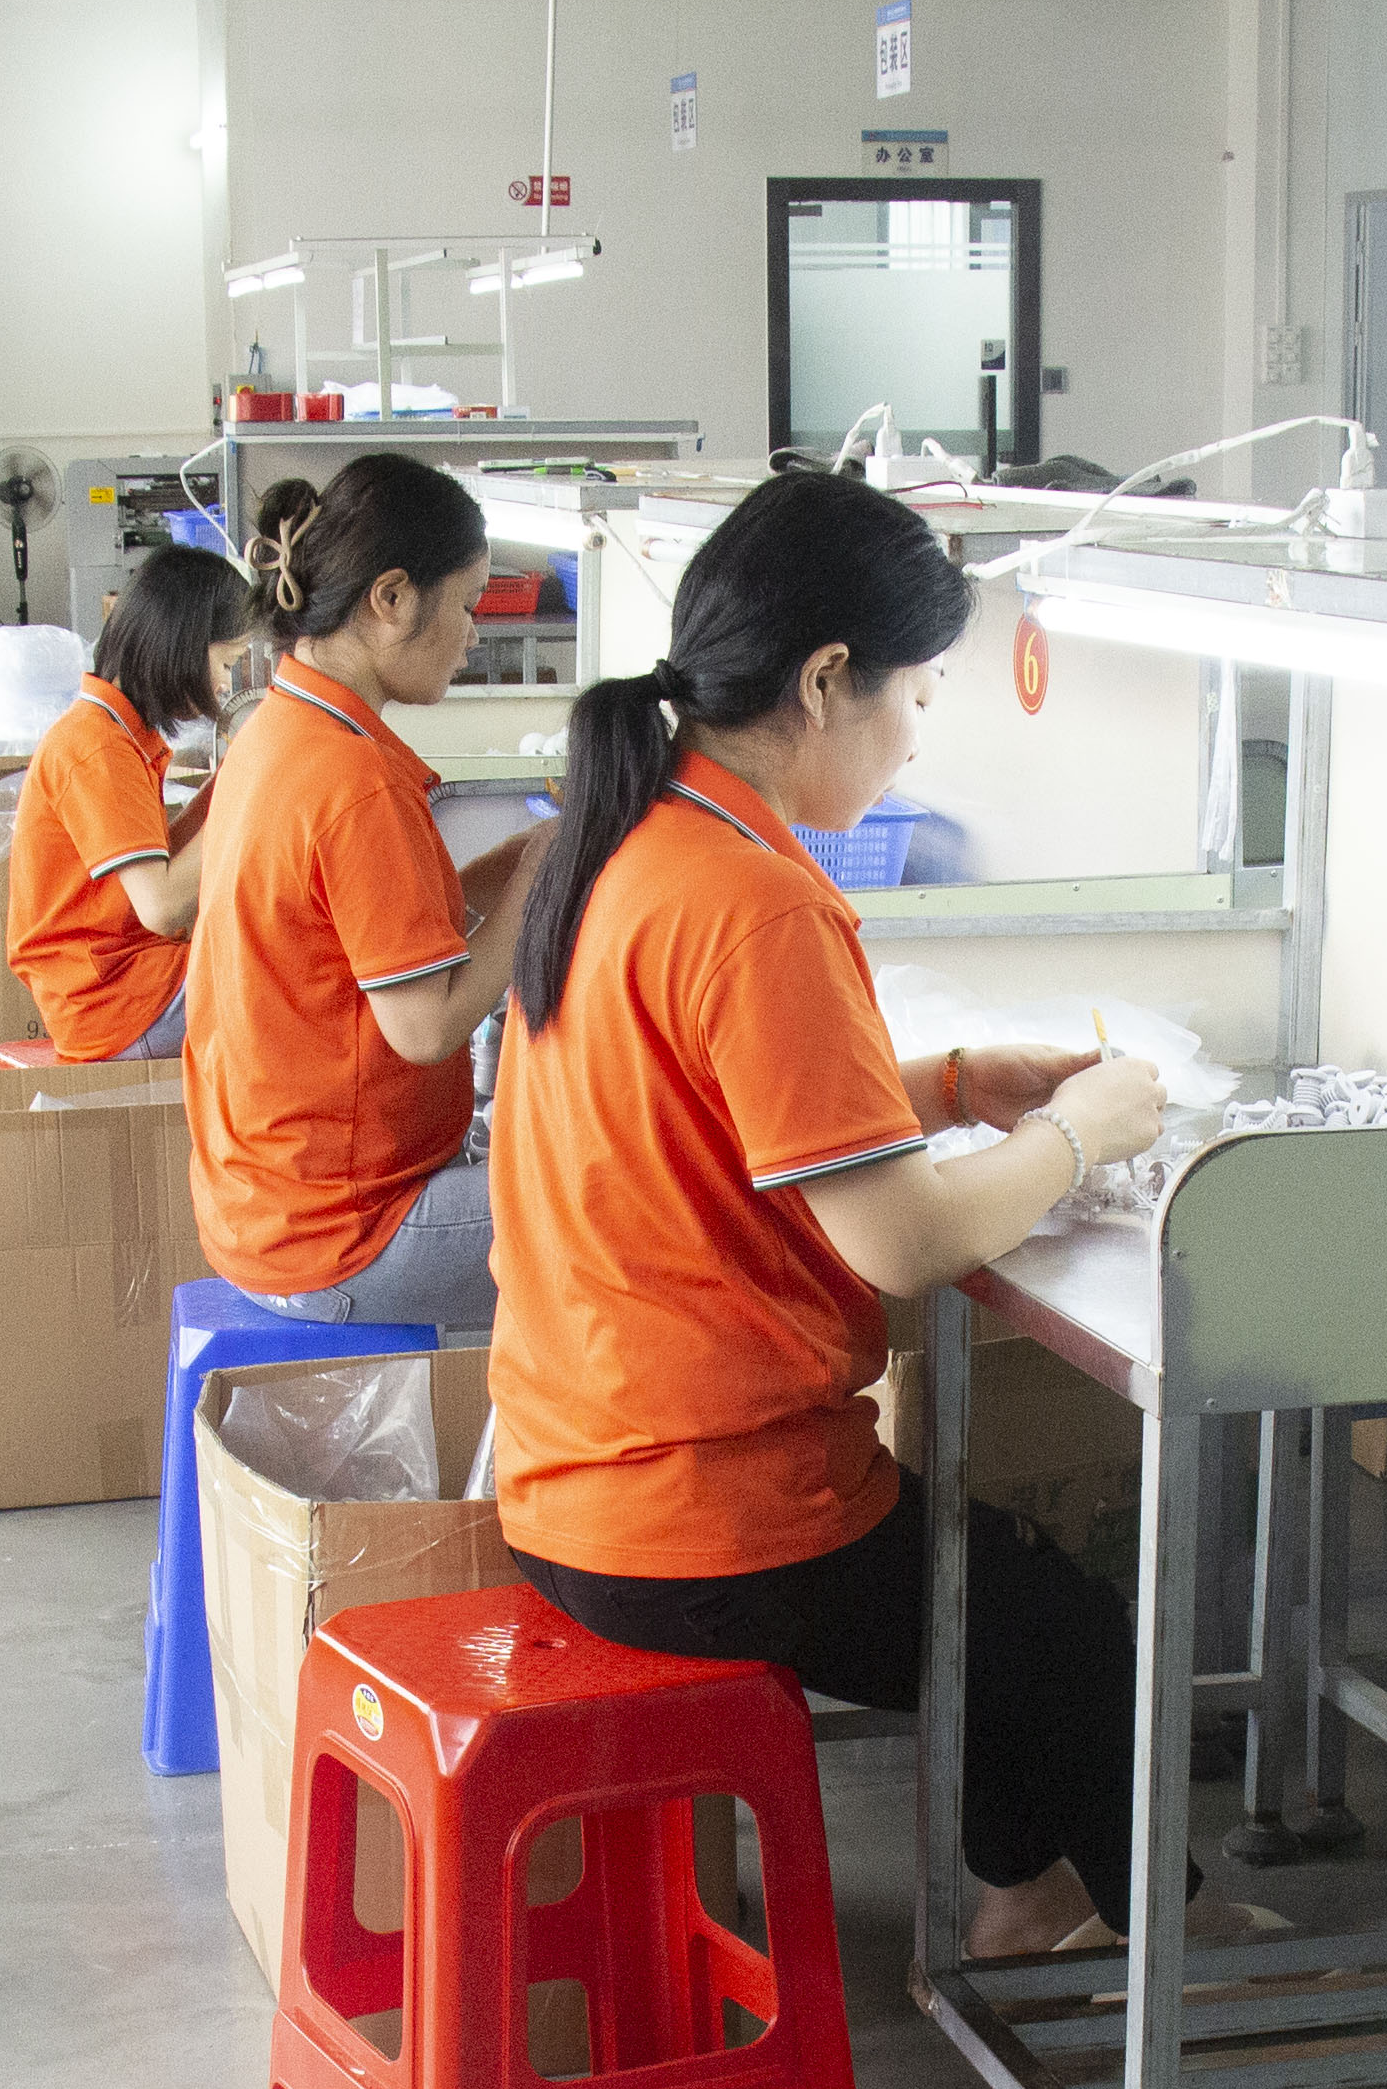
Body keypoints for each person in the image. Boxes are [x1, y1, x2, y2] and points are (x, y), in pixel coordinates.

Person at [483, 467, 1182, 1961]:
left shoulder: (633, 837)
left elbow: (700, 1117)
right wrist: (1077, 1135)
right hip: (702, 1521)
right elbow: (905, 1243)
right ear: (824, 682)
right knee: (1061, 1631)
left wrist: (949, 1085)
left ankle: (1032, 1900)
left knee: (996, 1589)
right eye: (916, 696)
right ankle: (1192, 1972)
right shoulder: (757, 900)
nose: (917, 736)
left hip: (569, 1467)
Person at [183, 460, 537, 1330]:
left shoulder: (283, 728)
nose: (473, 635)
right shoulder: (353, 782)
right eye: (468, 605)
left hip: (262, 1205)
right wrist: (533, 892)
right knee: (653, 1202)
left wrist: (523, 858)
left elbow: (369, 929)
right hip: (348, 1237)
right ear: (391, 598)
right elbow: (423, 1028)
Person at [9, 544, 255, 1062]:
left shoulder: (116, 732)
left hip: (129, 980)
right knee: (308, 969)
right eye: (226, 662)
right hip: (117, 1001)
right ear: (182, 646)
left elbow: (160, 864)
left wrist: (234, 781)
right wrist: (248, 799)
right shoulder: (96, 747)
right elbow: (161, 907)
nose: (223, 684)